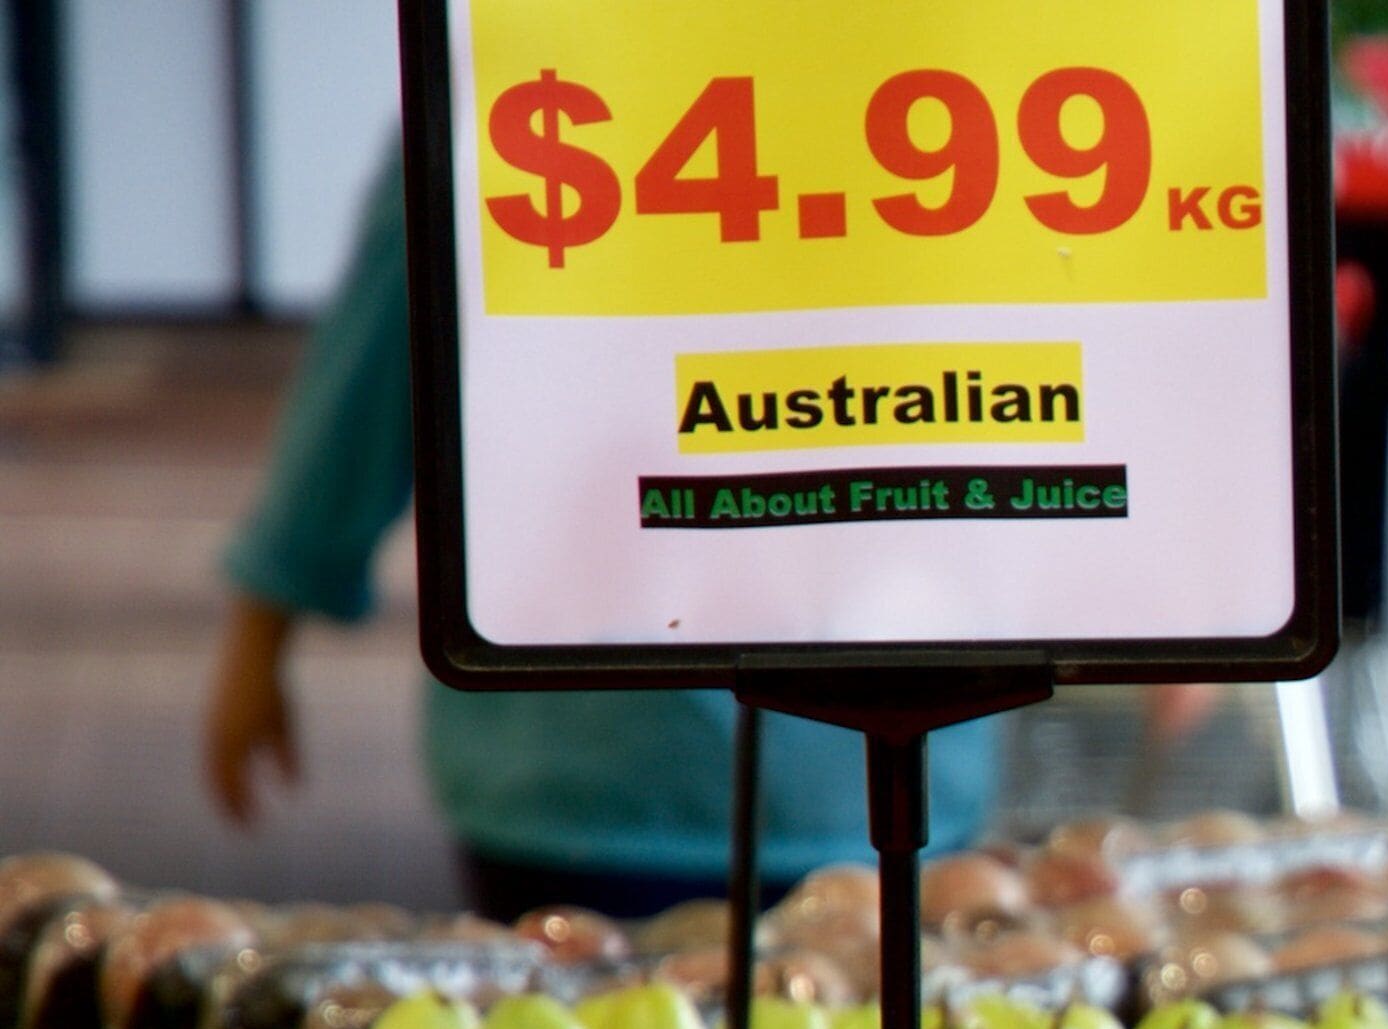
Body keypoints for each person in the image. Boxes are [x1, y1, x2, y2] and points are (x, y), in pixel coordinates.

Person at [204, 147, 1001, 919]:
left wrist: (262, 627)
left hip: (582, 752)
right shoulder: (927, 63)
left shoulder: (519, 63)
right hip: (878, 737)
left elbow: (374, 360)